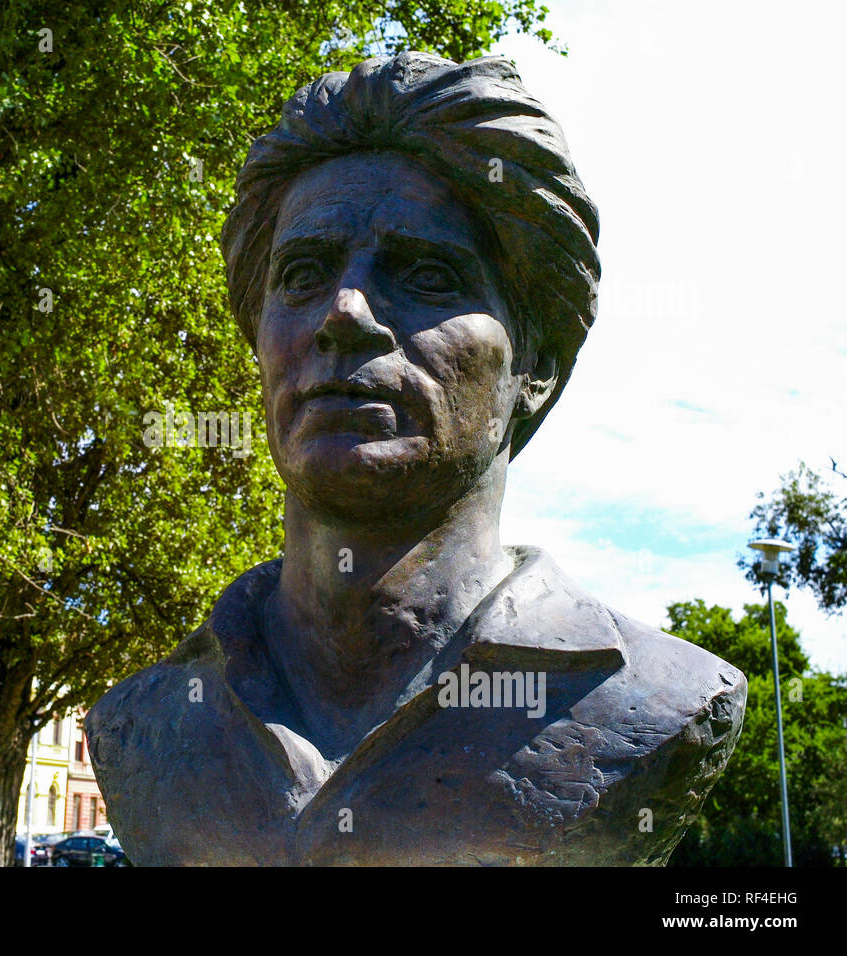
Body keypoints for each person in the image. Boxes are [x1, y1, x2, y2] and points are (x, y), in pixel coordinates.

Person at [85, 51, 746, 866]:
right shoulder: (143, 722)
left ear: (535, 366)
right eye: (302, 273)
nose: (345, 312)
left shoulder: (653, 699)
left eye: (428, 274)